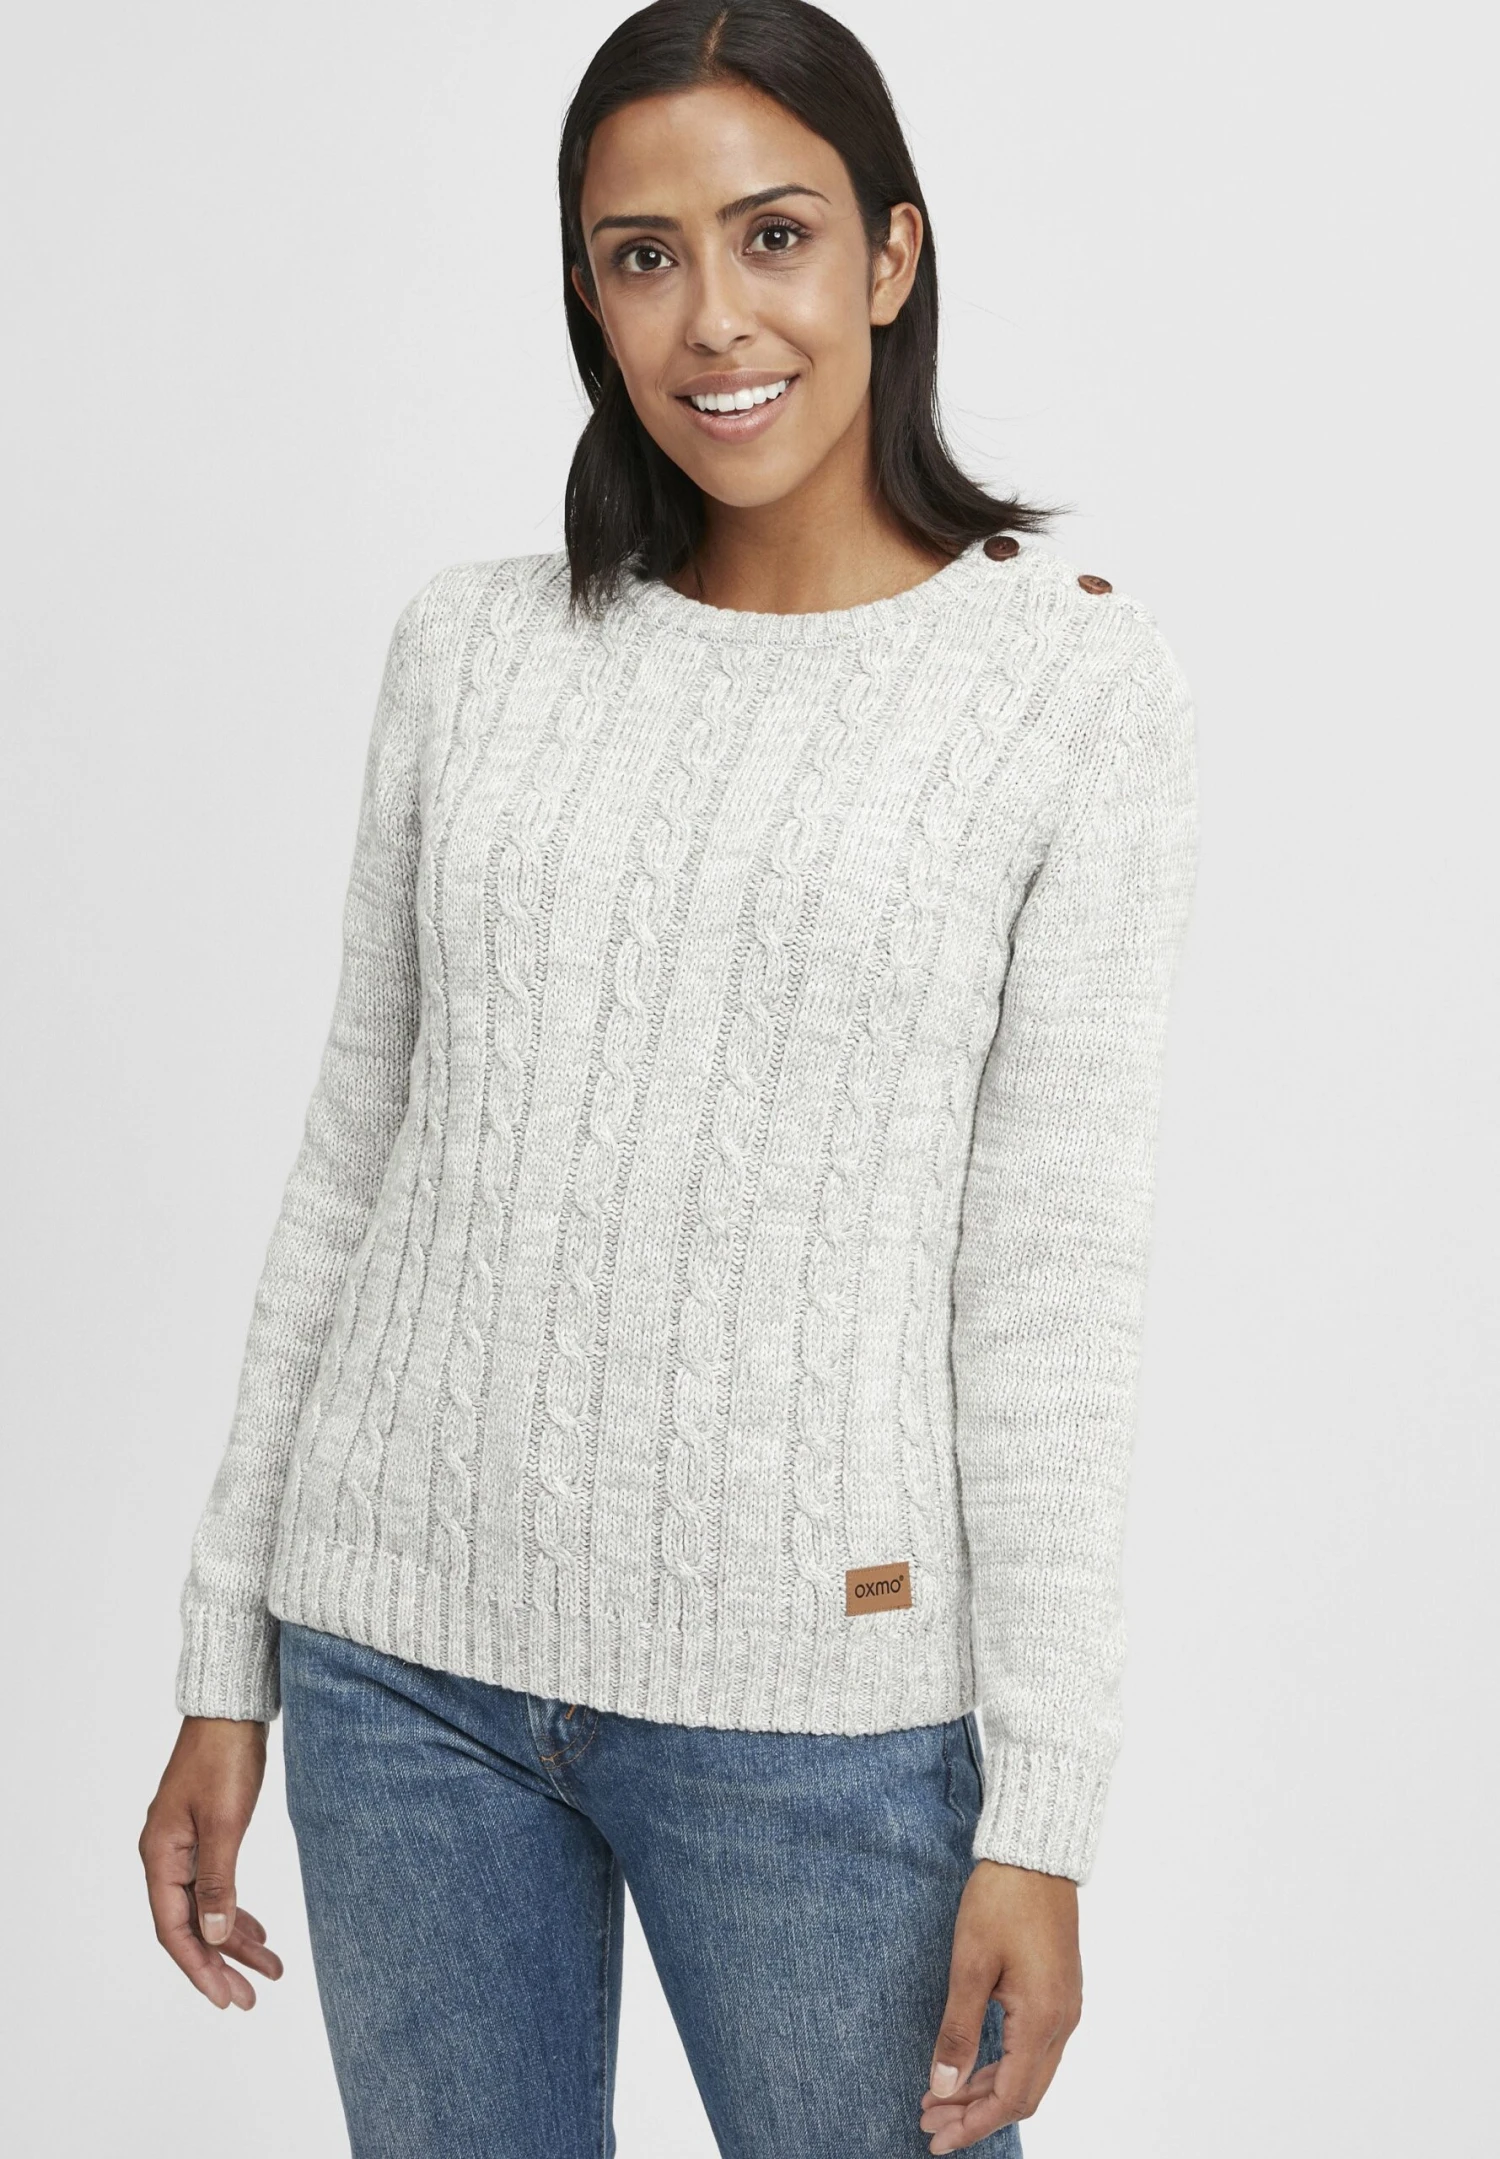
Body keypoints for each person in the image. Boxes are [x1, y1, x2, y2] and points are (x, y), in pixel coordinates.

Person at [138, 3, 1199, 2153]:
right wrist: (225, 1653)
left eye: (773, 234)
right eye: (643, 256)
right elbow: (354, 1160)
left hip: (817, 1710)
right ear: (588, 293)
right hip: (398, 1667)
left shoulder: (1071, 683)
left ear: (891, 256)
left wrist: (1045, 1811)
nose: (713, 316)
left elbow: (1053, 1284)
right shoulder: (471, 650)